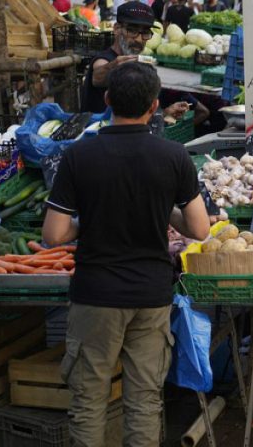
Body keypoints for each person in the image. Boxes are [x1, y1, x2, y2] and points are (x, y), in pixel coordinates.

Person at [44, 62, 211, 447]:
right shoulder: (174, 156)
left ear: (106, 100)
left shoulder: (78, 156)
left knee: (89, 402)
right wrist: (160, 208)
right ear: (154, 106)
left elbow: (54, 235)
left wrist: (94, 217)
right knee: (145, 401)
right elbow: (199, 229)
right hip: (150, 297)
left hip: (95, 296)